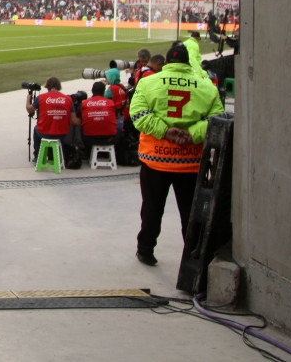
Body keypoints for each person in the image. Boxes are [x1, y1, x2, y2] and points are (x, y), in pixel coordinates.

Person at [129, 42, 225, 266]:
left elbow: (138, 115)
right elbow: (216, 121)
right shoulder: (206, 87)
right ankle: (192, 256)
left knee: (152, 209)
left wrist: (165, 132)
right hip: (190, 162)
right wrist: (192, 134)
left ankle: (145, 250)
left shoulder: (148, 82)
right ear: (187, 62)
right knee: (190, 214)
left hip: (155, 161)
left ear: (167, 63)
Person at [25, 76, 72, 160]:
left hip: (45, 132)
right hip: (63, 133)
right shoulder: (68, 99)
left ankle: (37, 156)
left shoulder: (41, 98)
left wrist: (28, 99)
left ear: (48, 86)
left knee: (36, 128)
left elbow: (29, 109)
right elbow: (72, 119)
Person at [76, 81, 117, 150]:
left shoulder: (84, 103)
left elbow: (78, 119)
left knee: (80, 127)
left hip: (89, 138)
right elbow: (117, 116)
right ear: (104, 92)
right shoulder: (111, 103)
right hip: (109, 138)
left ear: (92, 91)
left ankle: (85, 153)